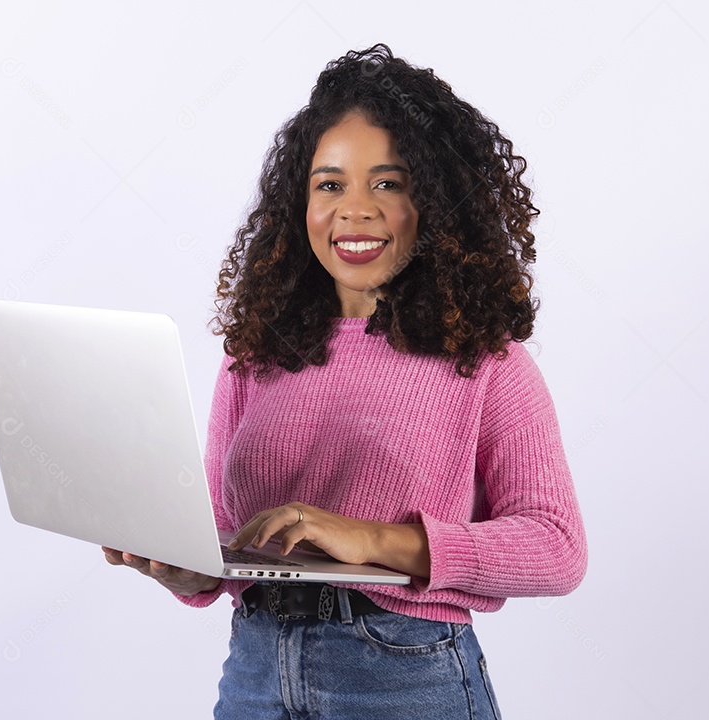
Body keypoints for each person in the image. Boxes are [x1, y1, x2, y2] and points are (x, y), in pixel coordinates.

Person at [103, 43, 587, 719]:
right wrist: (186, 567)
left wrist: (370, 539)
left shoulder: (485, 360)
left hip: (402, 675)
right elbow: (226, 531)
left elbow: (556, 547)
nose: (354, 210)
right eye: (330, 185)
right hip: (256, 671)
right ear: (298, 203)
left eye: (387, 184)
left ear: (435, 205)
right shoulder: (256, 353)